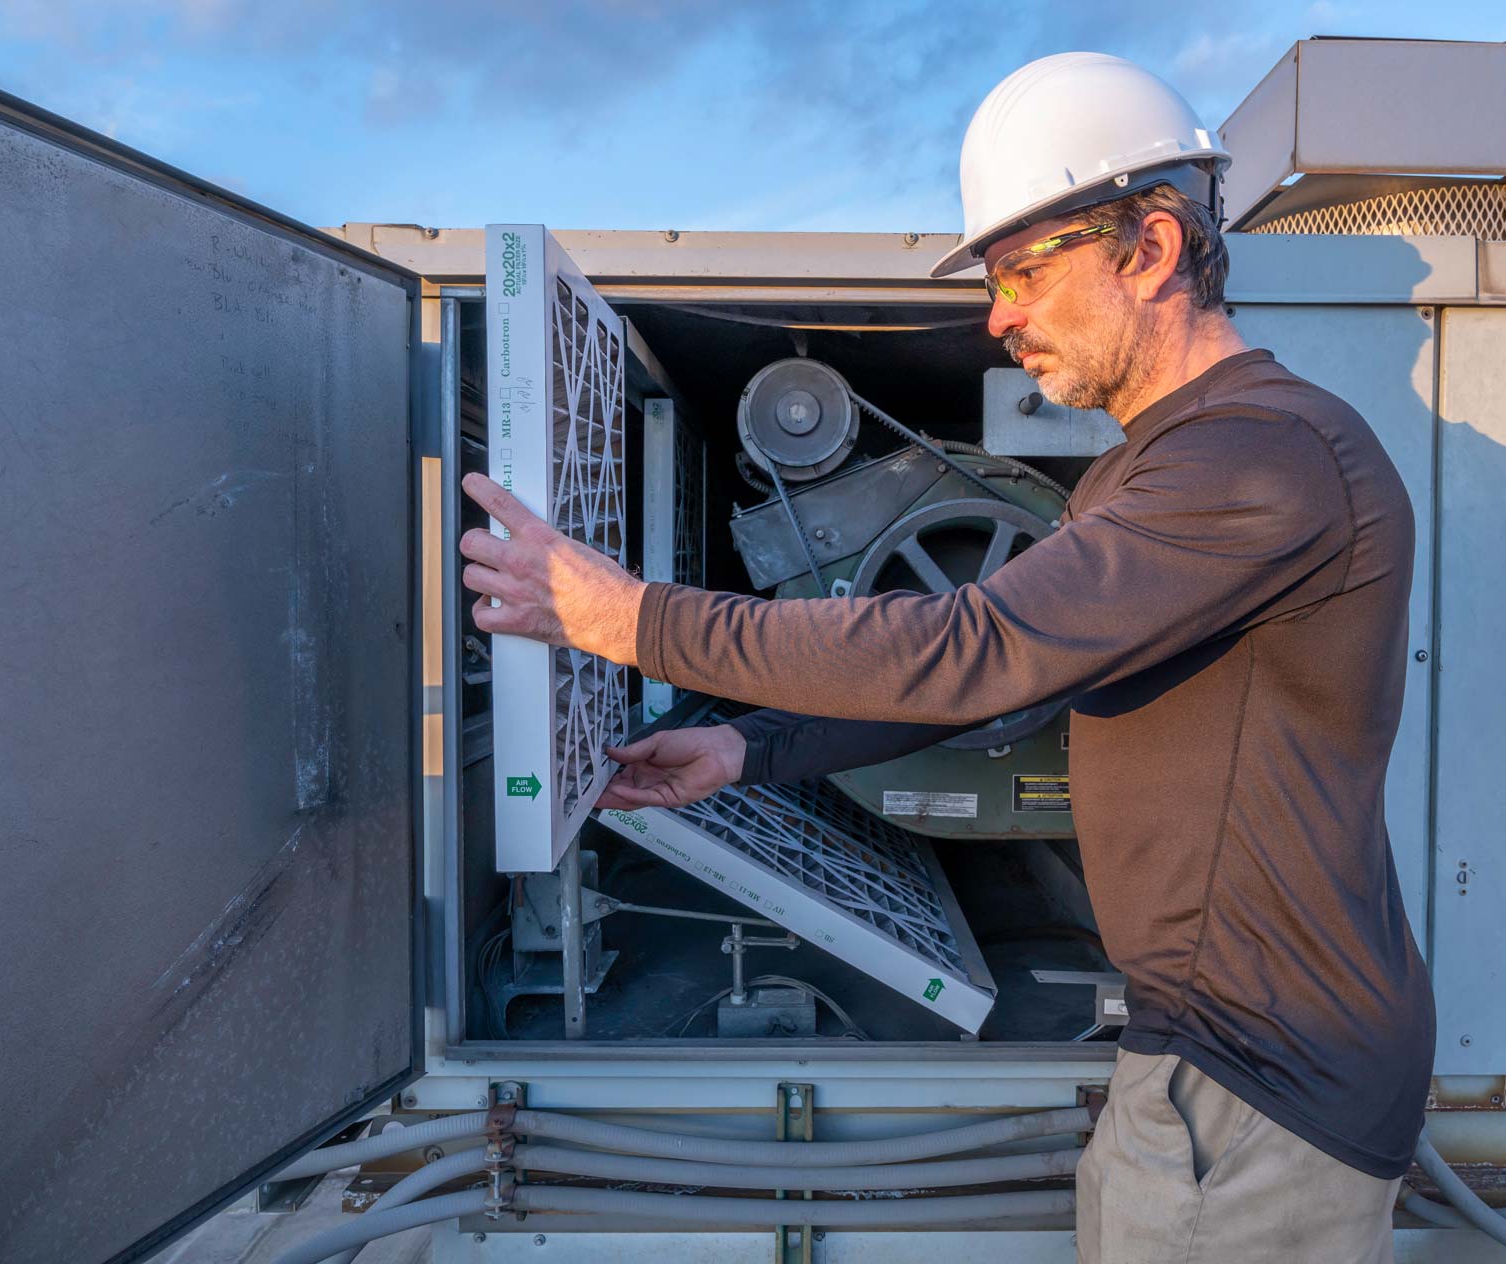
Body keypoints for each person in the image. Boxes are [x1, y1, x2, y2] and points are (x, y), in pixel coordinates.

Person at [458, 51, 1435, 1264]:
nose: (999, 315)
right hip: (1213, 1066)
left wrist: (630, 620)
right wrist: (741, 747)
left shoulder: (1264, 459)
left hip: (1257, 1091)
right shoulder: (1173, 463)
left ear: (1152, 249)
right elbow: (1008, 680)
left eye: (1026, 269)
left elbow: (975, 650)